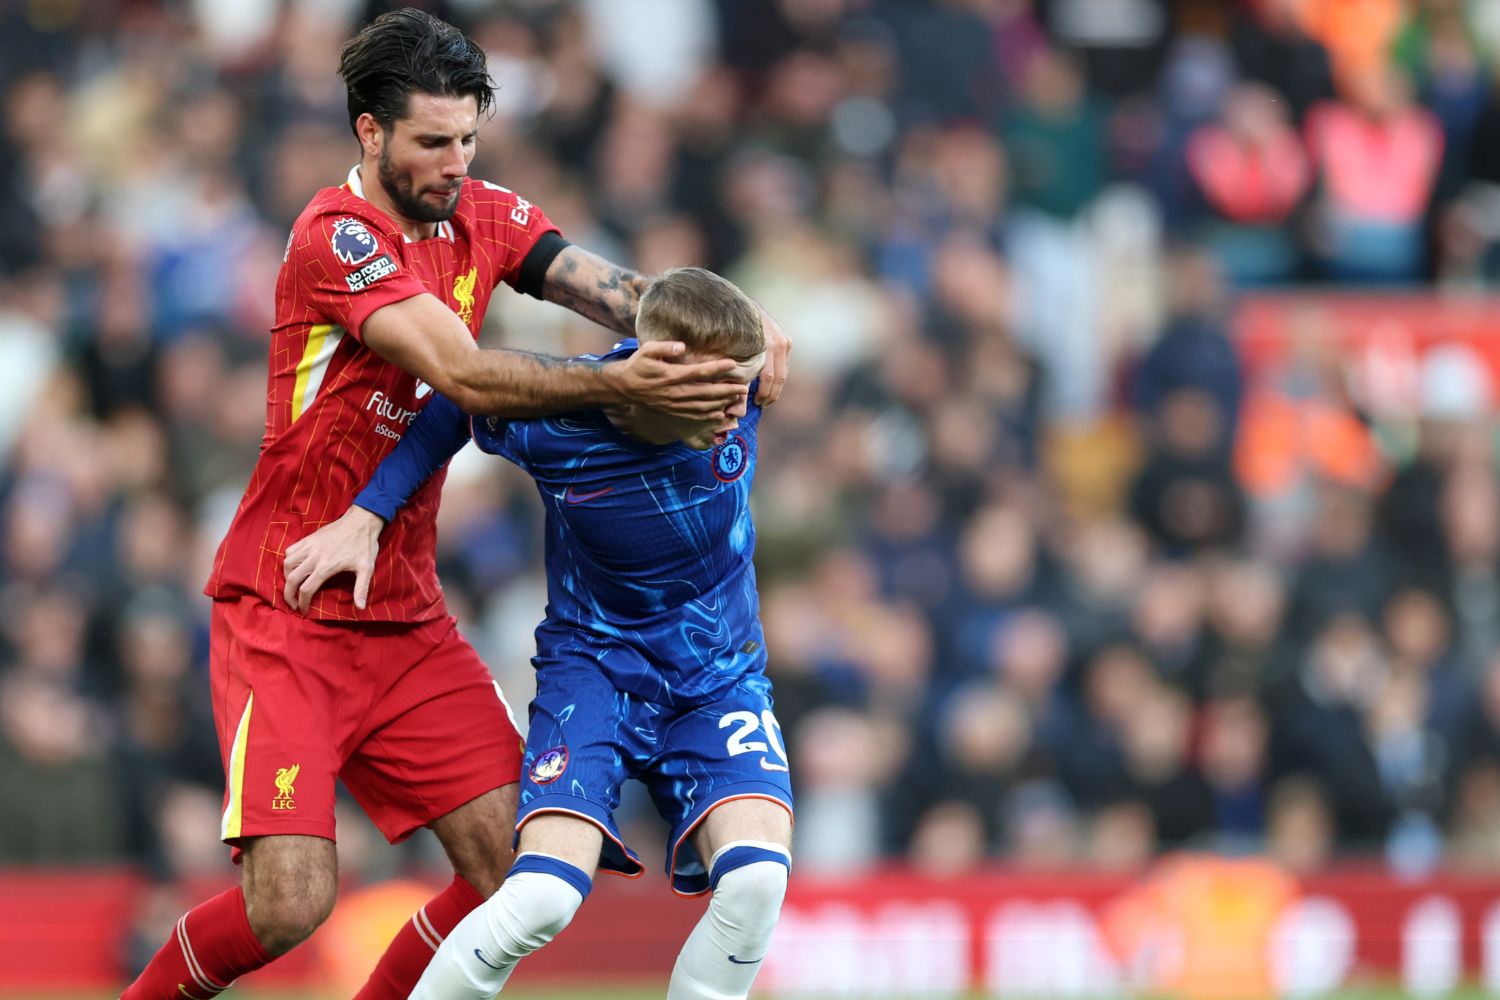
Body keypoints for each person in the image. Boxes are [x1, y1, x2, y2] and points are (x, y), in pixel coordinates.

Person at [120, 9, 790, 1000]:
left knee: (502, 868)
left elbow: (623, 298)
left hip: (406, 615)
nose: (455, 162)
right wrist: (625, 386)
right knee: (291, 902)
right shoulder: (334, 238)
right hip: (289, 606)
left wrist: (730, 334)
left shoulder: (487, 213)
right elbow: (461, 373)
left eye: (469, 138)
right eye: (433, 141)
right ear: (369, 132)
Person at [286, 267, 793, 1000]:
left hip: (717, 676)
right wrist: (369, 514)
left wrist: (762, 327)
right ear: (659, 372)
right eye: (720, 392)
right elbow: (453, 408)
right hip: (596, 672)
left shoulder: (739, 382)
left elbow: (740, 333)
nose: (737, 410)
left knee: (755, 884)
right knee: (541, 902)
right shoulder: (558, 418)